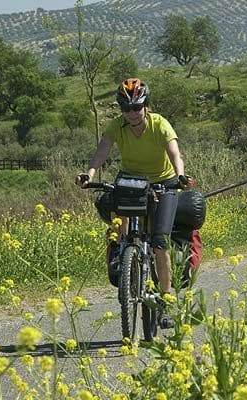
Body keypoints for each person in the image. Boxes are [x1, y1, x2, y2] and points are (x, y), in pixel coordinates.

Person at [76, 78, 193, 329]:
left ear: (145, 106)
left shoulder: (159, 124)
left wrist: (180, 176)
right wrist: (90, 174)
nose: (131, 114)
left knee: (160, 242)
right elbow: (102, 151)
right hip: (130, 181)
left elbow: (175, 153)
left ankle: (167, 300)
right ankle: (123, 254)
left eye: (136, 107)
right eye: (126, 109)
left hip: (164, 183)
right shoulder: (117, 126)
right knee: (120, 221)